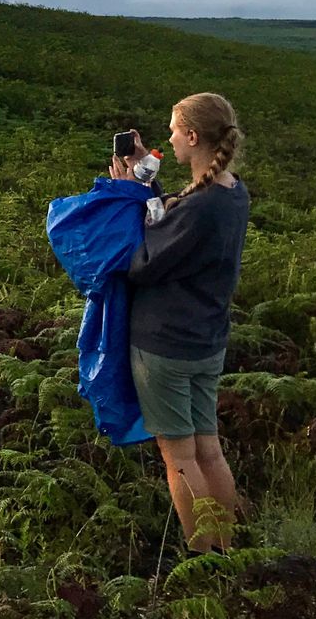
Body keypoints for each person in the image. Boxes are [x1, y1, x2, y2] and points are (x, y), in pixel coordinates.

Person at [107, 92, 249, 553]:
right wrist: (149, 188)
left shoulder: (200, 206)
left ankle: (199, 556)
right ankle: (223, 548)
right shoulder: (231, 192)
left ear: (192, 136)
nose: (168, 138)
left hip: (165, 345)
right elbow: (178, 231)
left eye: (173, 130)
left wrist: (125, 196)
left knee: (180, 459)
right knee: (209, 451)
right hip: (206, 341)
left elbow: (141, 263)